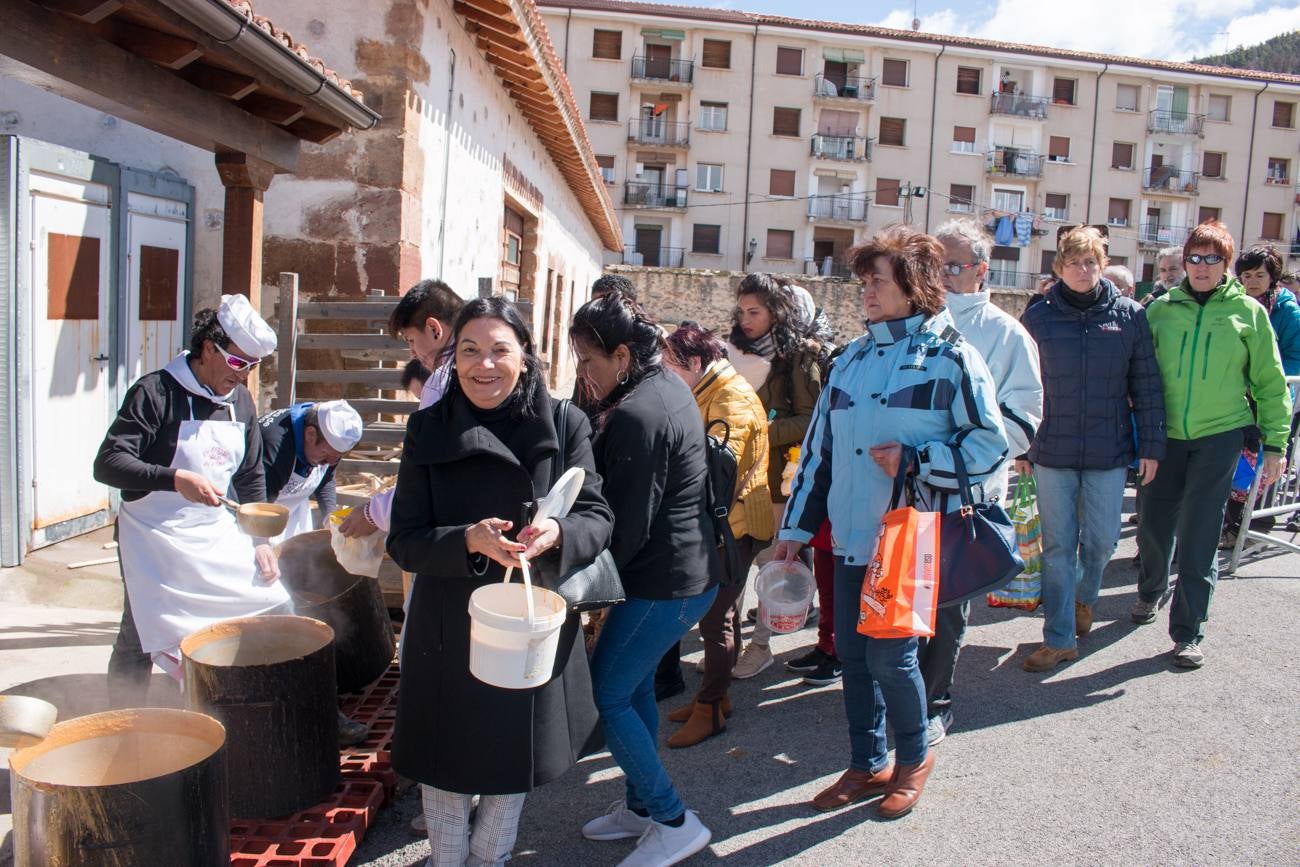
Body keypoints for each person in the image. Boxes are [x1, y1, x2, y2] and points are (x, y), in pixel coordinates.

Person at [776, 225, 1009, 818]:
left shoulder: (953, 355)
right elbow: (820, 451)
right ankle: (866, 761)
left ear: (914, 284)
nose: (866, 292)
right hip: (851, 536)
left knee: (891, 659)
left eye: (878, 281)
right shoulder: (850, 359)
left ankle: (912, 759)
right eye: (864, 281)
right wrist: (794, 533)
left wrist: (919, 459)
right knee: (852, 657)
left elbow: (991, 443)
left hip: (909, 538)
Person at [386, 297, 613, 866]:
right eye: (469, 351)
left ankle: (490, 857)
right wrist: (466, 539)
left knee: (511, 754)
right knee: (448, 758)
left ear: (526, 356)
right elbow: (404, 538)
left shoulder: (564, 423)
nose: (483, 365)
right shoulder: (428, 429)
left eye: (498, 350)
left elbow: (597, 516)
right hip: (448, 623)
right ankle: (448, 858)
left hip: (527, 620)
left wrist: (556, 532)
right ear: (451, 358)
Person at [571, 292, 717, 867]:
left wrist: (575, 586)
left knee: (606, 693)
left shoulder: (637, 414)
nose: (583, 374)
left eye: (589, 360)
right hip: (680, 575)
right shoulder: (664, 387)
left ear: (624, 354)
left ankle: (673, 820)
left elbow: (624, 528)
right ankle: (638, 807)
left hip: (666, 584)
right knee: (630, 688)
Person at [94, 295, 286, 698]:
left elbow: (250, 476)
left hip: (211, 532)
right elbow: (108, 463)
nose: (244, 376)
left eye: (252, 366)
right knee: (141, 631)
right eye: (238, 363)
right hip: (153, 535)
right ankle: (122, 719)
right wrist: (174, 478)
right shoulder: (156, 393)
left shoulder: (240, 403)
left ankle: (259, 702)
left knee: (273, 604)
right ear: (207, 348)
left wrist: (260, 541)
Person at [1137, 222, 1292, 668]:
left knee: (1201, 534)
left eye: (1213, 259)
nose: (1202, 267)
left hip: (1220, 435)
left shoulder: (1249, 313)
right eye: (1195, 258)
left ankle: (1188, 631)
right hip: (1164, 438)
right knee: (1153, 524)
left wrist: (1276, 445)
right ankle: (1150, 592)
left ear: (1227, 264)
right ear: (1184, 262)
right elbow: (1139, 376)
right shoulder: (1161, 310)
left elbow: (1270, 383)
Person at [1018, 227, 1165, 672]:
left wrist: (1151, 446)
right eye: (1074, 263)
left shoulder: (1129, 315)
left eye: (1091, 263)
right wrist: (1022, 445)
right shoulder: (1038, 317)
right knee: (1059, 546)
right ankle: (1059, 636)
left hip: (1109, 450)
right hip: (1052, 451)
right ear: (1059, 267)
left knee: (1101, 542)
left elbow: (1147, 383)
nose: (1082, 271)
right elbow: (1022, 385)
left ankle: (1085, 597)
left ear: (1102, 267)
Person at [929, 219, 1043, 741]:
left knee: (949, 600)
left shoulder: (1006, 333)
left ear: (980, 270)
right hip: (907, 487)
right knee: (905, 591)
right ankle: (902, 691)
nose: (944, 276)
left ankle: (936, 699)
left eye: (953, 266)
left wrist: (959, 453)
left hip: (966, 490)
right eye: (935, 266)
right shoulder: (917, 321)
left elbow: (1023, 419)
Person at [661, 321, 774, 748]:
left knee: (716, 619)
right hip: (727, 521)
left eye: (670, 365)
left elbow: (717, 468)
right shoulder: (711, 389)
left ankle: (710, 710)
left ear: (694, 362)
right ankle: (717, 697)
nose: (665, 373)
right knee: (719, 617)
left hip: (734, 524)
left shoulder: (730, 398)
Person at [728, 273, 824, 680]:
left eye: (756, 312)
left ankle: (761, 646)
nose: (746, 320)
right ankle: (726, 646)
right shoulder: (731, 350)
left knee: (773, 569)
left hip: (775, 481)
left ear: (776, 313)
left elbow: (811, 420)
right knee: (729, 569)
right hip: (732, 477)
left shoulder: (802, 356)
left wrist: (759, 429)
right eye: (742, 311)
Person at [337, 279, 465, 538]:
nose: (412, 352)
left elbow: (422, 476)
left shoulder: (442, 383)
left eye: (411, 340)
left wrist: (372, 513)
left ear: (434, 329)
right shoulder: (487, 370)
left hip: (454, 532)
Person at [257, 400, 363, 544]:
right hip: (256, 516)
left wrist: (329, 517)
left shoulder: (325, 437)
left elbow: (326, 478)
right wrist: (261, 544)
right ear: (310, 434)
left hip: (291, 514)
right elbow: (257, 503)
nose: (331, 463)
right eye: (326, 454)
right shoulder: (276, 447)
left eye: (337, 456)